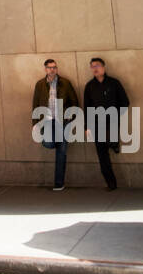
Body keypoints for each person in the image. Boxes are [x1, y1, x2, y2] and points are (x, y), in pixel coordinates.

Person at [32, 59, 80, 191]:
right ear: (45, 69)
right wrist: (35, 123)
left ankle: (59, 183)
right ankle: (53, 141)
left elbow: (75, 102)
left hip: (63, 122)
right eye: (49, 67)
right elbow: (35, 104)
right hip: (47, 121)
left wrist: (72, 116)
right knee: (48, 143)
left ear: (57, 69)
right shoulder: (40, 84)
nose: (52, 70)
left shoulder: (65, 83)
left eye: (54, 67)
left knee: (62, 152)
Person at [82, 57, 129, 191]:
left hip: (112, 123)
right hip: (96, 125)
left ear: (104, 67)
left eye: (97, 65)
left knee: (111, 143)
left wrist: (115, 115)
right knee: (102, 156)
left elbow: (125, 102)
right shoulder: (89, 86)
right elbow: (87, 108)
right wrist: (87, 127)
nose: (94, 68)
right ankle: (111, 183)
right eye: (92, 66)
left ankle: (113, 144)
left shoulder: (114, 83)